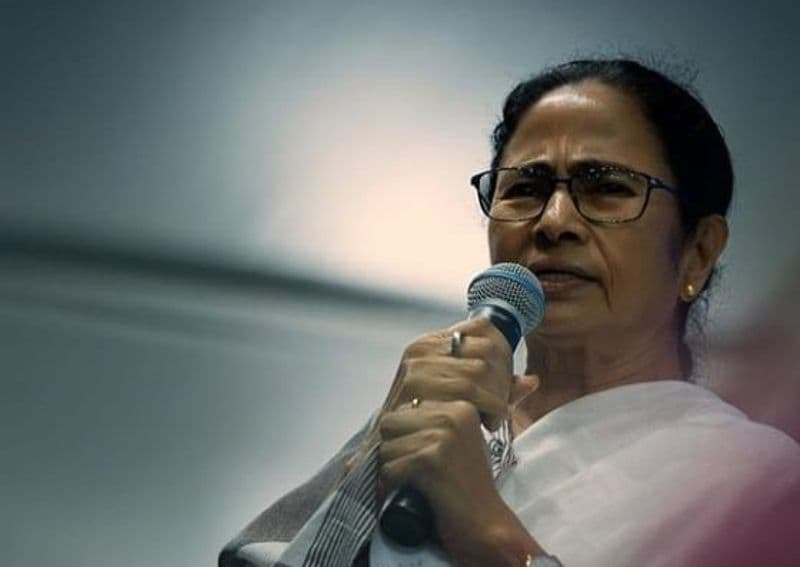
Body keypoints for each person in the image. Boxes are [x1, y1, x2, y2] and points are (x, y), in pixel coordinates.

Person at [220, 58, 800, 566]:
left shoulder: (759, 482)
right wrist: (371, 467)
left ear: (698, 252)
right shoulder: (432, 426)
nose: (554, 221)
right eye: (525, 188)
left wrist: (490, 540)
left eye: (606, 187)